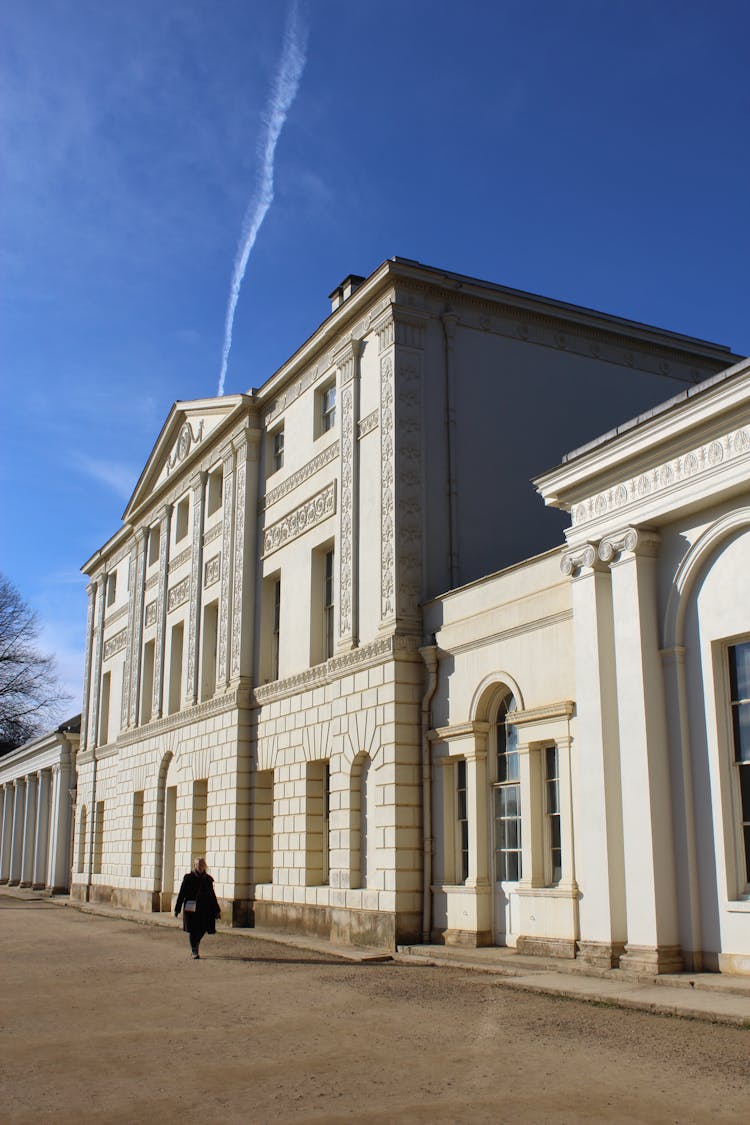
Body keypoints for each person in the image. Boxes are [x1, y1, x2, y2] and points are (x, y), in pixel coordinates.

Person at [174, 857, 221, 959]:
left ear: (205, 866)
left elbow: (212, 895)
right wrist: (177, 909)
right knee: (193, 929)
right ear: (194, 866)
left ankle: (196, 942)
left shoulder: (208, 879)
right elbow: (182, 894)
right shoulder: (188, 878)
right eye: (198, 864)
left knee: (204, 928)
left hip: (205, 909)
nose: (200, 866)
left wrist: (217, 909)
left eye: (202, 864)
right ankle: (194, 950)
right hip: (191, 909)